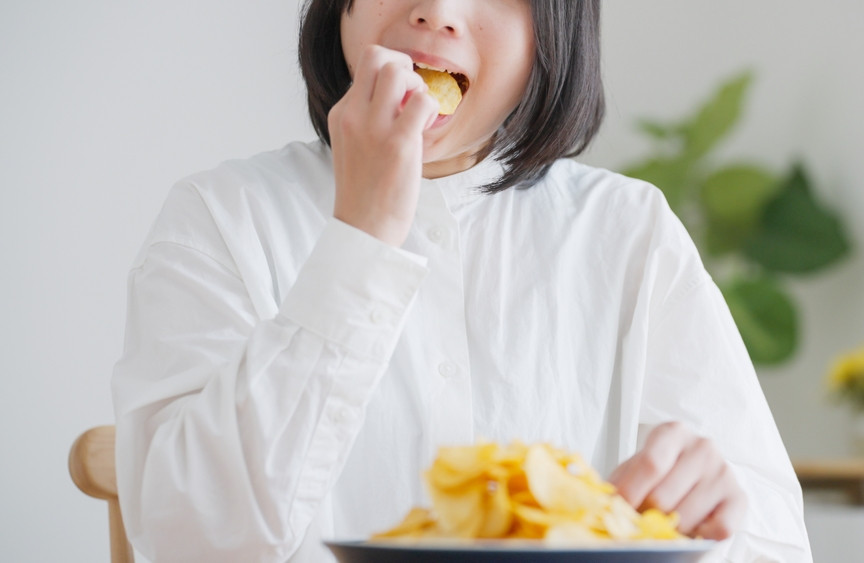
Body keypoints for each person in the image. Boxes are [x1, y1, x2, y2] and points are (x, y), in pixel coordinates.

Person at [112, 1, 812, 561]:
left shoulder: (629, 232)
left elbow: (776, 542)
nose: (439, 11)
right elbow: (187, 541)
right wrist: (361, 237)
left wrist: (717, 524)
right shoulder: (221, 217)